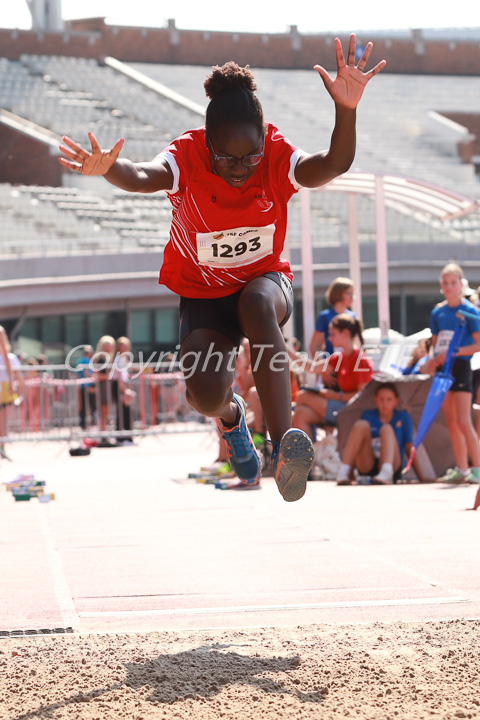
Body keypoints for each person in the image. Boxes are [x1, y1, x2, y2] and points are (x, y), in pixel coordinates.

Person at [58, 35, 386, 502]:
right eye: (226, 158)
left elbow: (334, 162)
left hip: (267, 285)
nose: (239, 168)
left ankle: (282, 446)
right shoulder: (187, 156)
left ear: (263, 139)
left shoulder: (275, 155)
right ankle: (231, 417)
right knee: (206, 396)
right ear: (207, 142)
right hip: (204, 296)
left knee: (255, 300)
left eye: (249, 156)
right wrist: (110, 169)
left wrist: (346, 110)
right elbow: (145, 175)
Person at [424, 263, 480, 484]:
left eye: (453, 282)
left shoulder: (470, 311)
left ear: (460, 284)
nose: (449, 287)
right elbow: (435, 343)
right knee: (451, 421)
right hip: (443, 369)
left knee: (464, 419)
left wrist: (455, 351)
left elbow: (478, 344)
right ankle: (462, 468)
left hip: (461, 366)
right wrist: (432, 359)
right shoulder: (437, 312)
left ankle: (476, 467)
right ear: (441, 286)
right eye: (445, 283)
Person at [292, 314, 373, 438]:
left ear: (345, 333)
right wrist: (284, 348)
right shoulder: (340, 357)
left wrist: (335, 395)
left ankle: (293, 441)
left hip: (353, 412)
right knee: (301, 413)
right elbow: (311, 367)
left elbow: (362, 397)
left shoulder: (361, 360)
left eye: (333, 334)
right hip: (340, 406)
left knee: (303, 396)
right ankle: (310, 455)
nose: (329, 338)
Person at [336, 381, 431, 485]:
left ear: (396, 401)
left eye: (389, 399)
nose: (385, 403)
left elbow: (409, 447)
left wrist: (421, 477)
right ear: (375, 399)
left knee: (386, 428)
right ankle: (344, 470)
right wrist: (350, 474)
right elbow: (357, 445)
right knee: (360, 424)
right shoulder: (367, 415)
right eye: (381, 399)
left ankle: (386, 471)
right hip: (368, 465)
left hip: (393, 465)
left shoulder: (403, 417)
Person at [309, 276, 355, 358]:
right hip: (330, 363)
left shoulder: (352, 316)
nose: (352, 297)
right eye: (348, 293)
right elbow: (314, 344)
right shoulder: (325, 316)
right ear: (338, 294)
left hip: (348, 363)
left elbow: (355, 343)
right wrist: (319, 366)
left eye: (352, 294)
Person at [76, 344, 96, 430]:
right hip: (88, 386)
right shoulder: (87, 361)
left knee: (83, 406)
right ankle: (92, 422)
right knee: (92, 405)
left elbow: (77, 374)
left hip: (81, 386)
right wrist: (95, 377)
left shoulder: (79, 361)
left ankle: (83, 424)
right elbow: (87, 373)